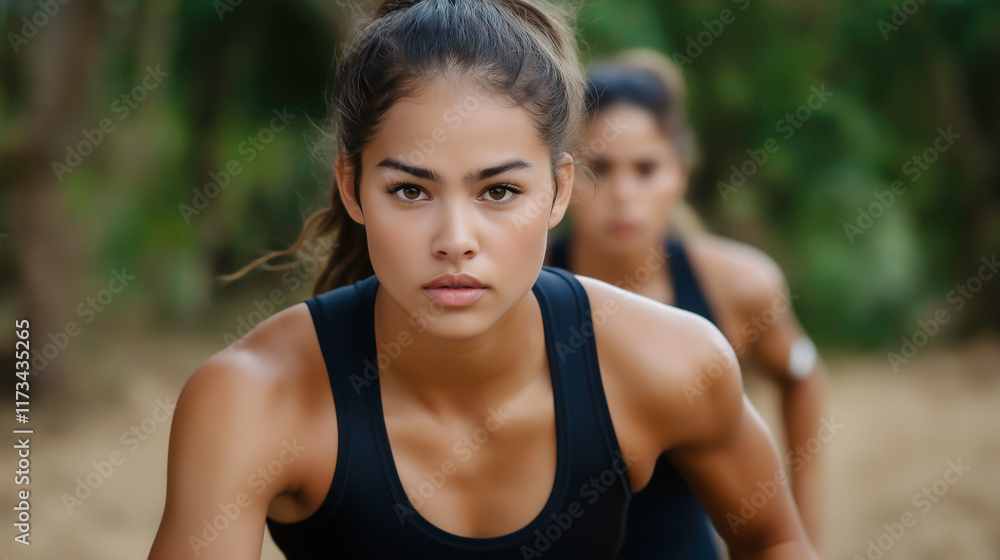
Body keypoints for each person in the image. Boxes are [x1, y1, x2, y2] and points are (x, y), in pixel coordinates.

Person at [148, 1, 819, 558]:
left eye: (498, 191)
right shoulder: (251, 399)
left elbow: (773, 539)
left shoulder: (671, 360)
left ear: (558, 193)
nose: (455, 241)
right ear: (352, 188)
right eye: (411, 191)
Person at [545, 48, 828, 558]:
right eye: (600, 168)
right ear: (561, 179)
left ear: (678, 173)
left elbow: (800, 371)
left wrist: (805, 531)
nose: (623, 192)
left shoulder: (740, 286)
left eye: (646, 168)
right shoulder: (513, 290)